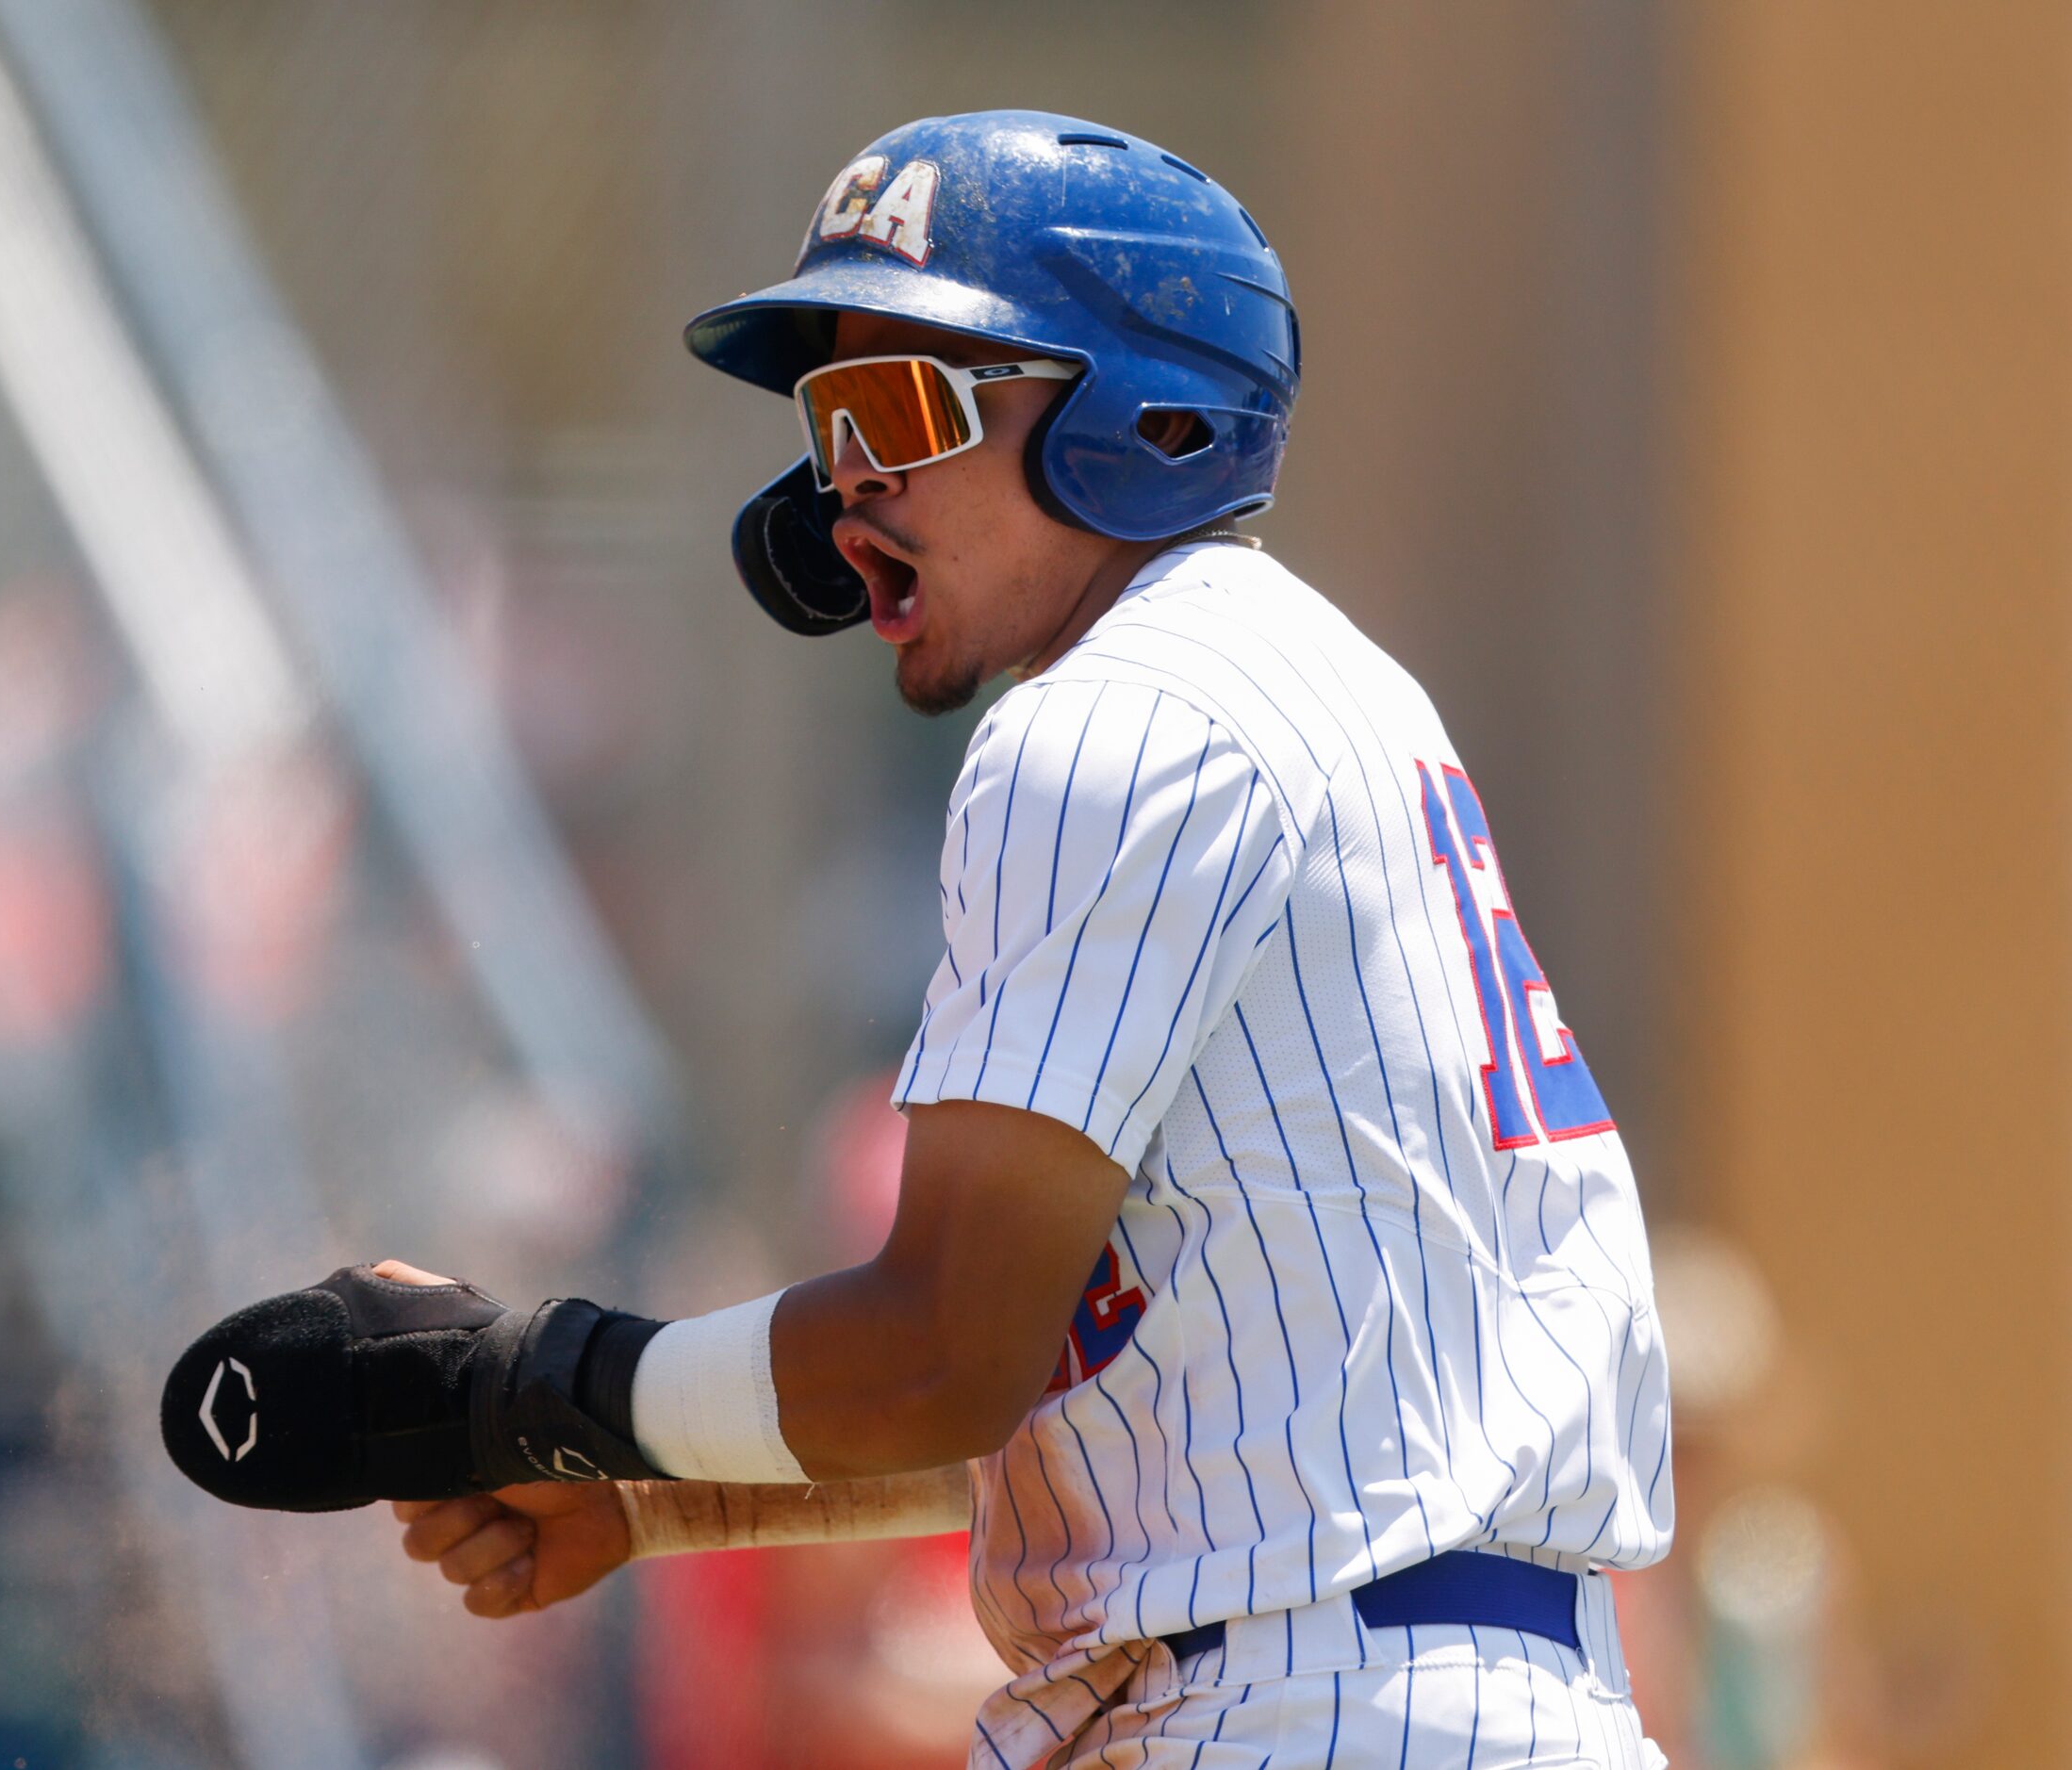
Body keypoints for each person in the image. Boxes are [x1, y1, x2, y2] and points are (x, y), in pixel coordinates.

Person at [175, 110, 1672, 1768]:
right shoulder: (1318, 691)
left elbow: (947, 1352)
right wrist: (650, 1499)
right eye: (830, 425)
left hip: (1301, 1707)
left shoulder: (1113, 720)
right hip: (1406, 1689)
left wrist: (520, 1384)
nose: (847, 486)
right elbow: (1099, 1384)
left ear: (1148, 416)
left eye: (901, 404)